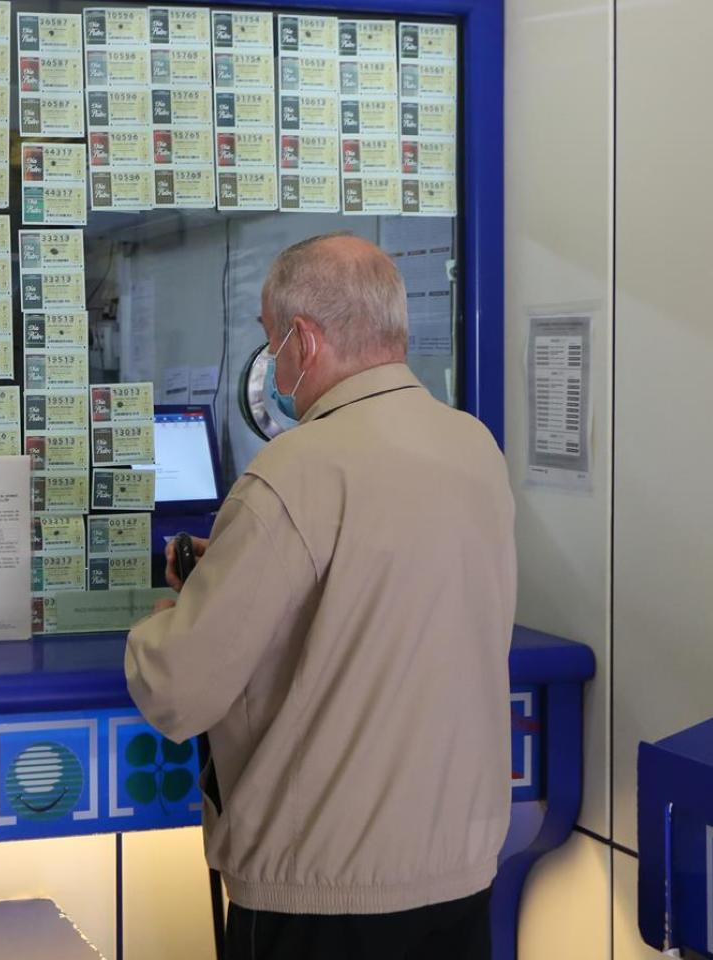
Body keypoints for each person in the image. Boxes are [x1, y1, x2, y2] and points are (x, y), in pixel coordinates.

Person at [125, 233, 516, 959]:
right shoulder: (474, 449)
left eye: (271, 342)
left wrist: (168, 619)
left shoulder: (295, 470)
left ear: (303, 342)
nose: (272, 362)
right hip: (459, 881)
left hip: (325, 899)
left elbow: (179, 688)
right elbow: (384, 600)